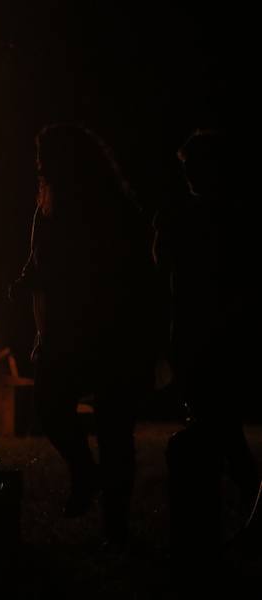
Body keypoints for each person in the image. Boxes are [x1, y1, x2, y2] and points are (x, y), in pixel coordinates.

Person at [11, 124, 156, 545]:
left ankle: (116, 525)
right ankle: (84, 472)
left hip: (112, 334)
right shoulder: (46, 207)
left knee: (115, 432)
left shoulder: (114, 211)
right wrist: (25, 279)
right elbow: (39, 259)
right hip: (59, 333)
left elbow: (133, 275)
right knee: (50, 406)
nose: (40, 165)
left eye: (47, 156)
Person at [156, 130, 259, 563]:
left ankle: (234, 512)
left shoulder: (227, 219)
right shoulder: (205, 215)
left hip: (218, 340)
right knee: (219, 426)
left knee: (217, 426)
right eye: (186, 168)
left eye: (196, 167)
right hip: (198, 337)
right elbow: (162, 264)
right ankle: (237, 510)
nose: (190, 175)